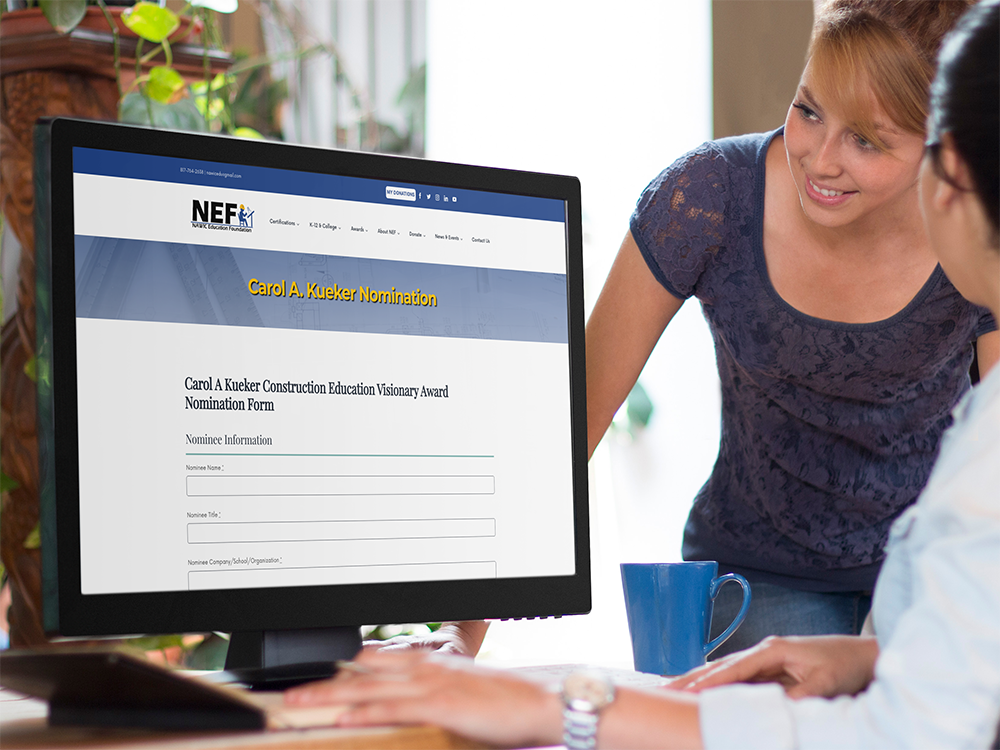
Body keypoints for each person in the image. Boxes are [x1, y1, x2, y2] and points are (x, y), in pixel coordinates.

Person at [287, 1, 1000, 745]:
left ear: (943, 157)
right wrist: (462, 637)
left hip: (929, 564)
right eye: (808, 110)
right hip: (764, 567)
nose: (821, 158)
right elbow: (575, 425)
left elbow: (987, 485)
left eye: (868, 140)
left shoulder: (974, 240)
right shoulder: (709, 198)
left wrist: (562, 706)